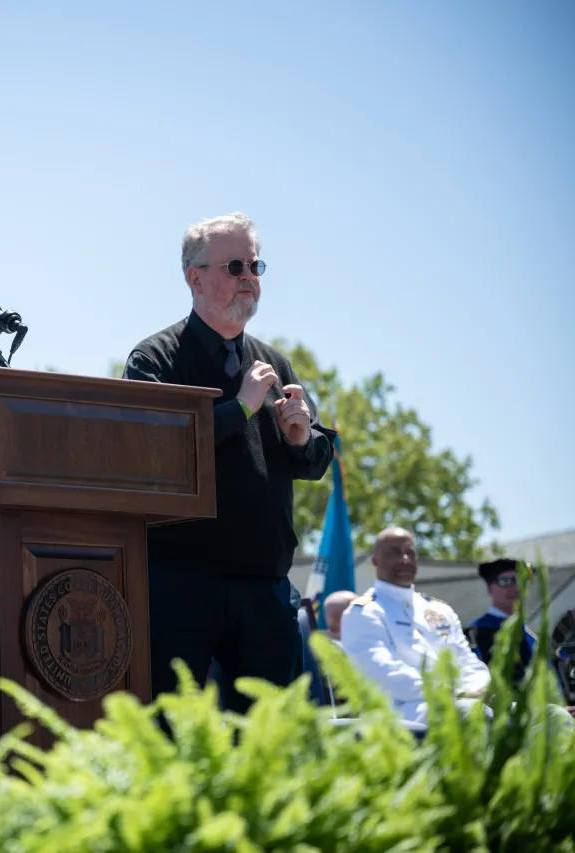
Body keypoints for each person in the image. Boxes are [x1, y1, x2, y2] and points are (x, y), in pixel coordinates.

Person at [123, 212, 335, 713]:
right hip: (178, 585)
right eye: (235, 265)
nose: (249, 276)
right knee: (172, 735)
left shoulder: (274, 362)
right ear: (194, 277)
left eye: (256, 266)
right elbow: (158, 449)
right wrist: (239, 406)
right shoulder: (153, 359)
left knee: (268, 742)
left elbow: (317, 458)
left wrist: (302, 437)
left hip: (264, 587)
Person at [340, 527, 490, 724]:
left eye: (410, 553)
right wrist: (455, 693)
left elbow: (466, 660)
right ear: (375, 560)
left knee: (537, 712)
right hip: (402, 711)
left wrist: (483, 688)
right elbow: (384, 674)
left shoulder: (439, 610)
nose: (404, 559)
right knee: (475, 713)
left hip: (460, 700)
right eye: (394, 553)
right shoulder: (363, 612)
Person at [467, 558, 538, 686]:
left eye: (520, 581)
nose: (515, 588)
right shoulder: (475, 635)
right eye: (505, 581)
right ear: (490, 588)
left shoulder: (532, 635)